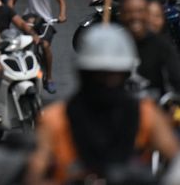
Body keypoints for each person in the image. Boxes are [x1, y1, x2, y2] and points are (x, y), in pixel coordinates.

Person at [26, 23, 180, 184]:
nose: (107, 82)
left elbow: (175, 159)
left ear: (126, 75)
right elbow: (34, 175)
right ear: (84, 74)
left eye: (114, 75)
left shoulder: (145, 114)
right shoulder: (56, 119)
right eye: (99, 75)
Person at [11, 0, 67, 93]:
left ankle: (49, 78)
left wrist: (62, 15)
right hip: (29, 19)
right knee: (22, 46)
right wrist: (10, 12)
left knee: (45, 45)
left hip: (46, 21)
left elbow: (61, 0)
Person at [117, 0, 180, 96]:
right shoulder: (112, 44)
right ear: (121, 15)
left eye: (140, 11)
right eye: (128, 11)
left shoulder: (162, 46)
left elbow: (176, 82)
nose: (134, 16)